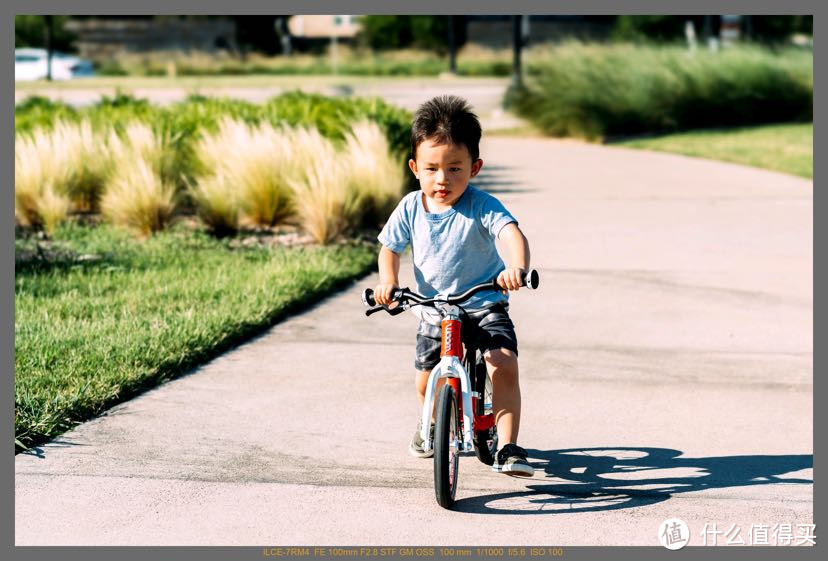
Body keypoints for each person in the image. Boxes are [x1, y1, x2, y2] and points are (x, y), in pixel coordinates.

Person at [374, 95, 534, 477]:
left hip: (483, 303)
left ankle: (509, 447)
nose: (442, 179)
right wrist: (389, 283)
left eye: (454, 168)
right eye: (431, 168)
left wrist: (517, 267)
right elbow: (389, 249)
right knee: (425, 378)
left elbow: (511, 234)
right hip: (432, 307)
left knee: (503, 364)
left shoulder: (482, 205)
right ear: (415, 167)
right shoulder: (411, 207)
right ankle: (430, 419)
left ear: (474, 168)